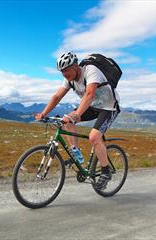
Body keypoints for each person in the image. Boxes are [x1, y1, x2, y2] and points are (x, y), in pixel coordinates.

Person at [35, 51, 120, 190]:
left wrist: (77, 114)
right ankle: (77, 154)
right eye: (62, 72)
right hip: (92, 106)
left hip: (109, 107)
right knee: (67, 121)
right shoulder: (69, 79)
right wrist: (43, 113)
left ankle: (106, 171)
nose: (64, 74)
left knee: (94, 137)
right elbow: (57, 96)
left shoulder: (91, 70)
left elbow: (89, 93)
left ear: (75, 66)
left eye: (66, 70)